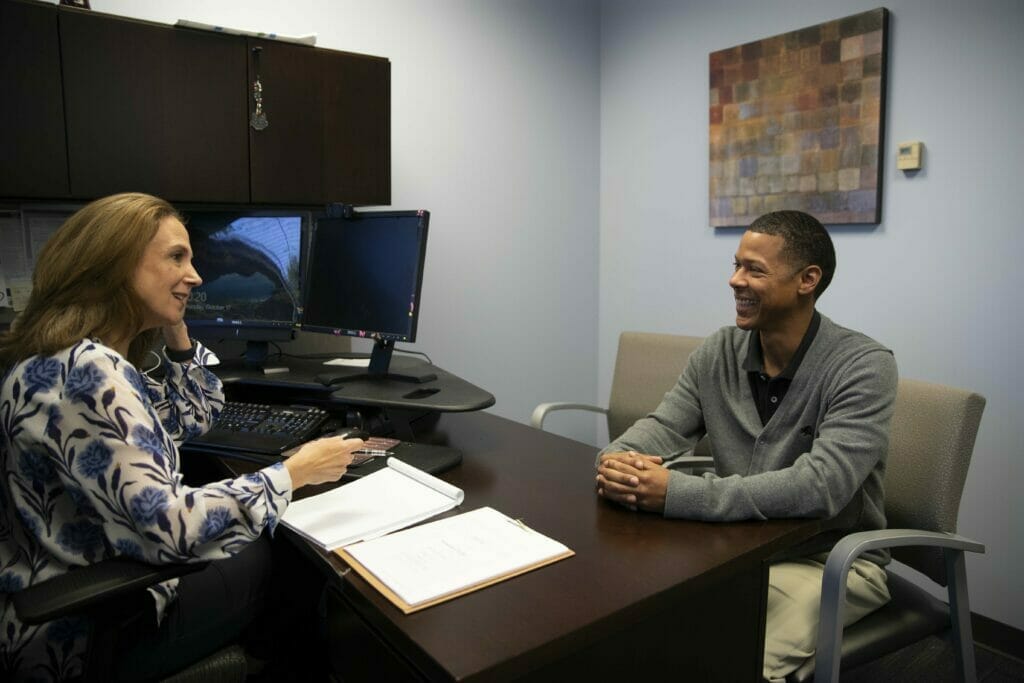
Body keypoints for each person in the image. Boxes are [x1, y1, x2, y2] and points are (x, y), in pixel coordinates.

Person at [0, 193, 365, 681]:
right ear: (114, 265)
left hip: (53, 598)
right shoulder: (93, 373)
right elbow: (174, 531)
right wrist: (293, 473)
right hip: (84, 631)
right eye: (176, 257)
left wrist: (177, 334)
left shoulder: (56, 361)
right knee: (289, 556)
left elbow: (189, 417)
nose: (195, 275)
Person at [595, 210, 897, 682]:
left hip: (830, 561)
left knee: (726, 659)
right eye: (736, 265)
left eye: (754, 269)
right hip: (734, 549)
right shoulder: (719, 350)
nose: (735, 281)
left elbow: (821, 488)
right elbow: (663, 426)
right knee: (635, 626)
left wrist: (678, 493)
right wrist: (618, 460)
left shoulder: (863, 366)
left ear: (807, 280)